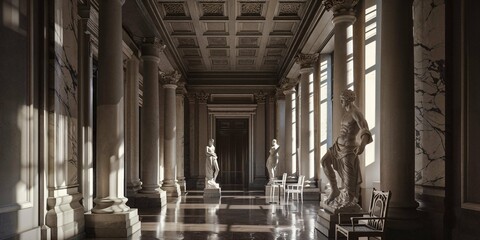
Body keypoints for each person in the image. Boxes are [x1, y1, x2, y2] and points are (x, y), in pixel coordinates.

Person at [321, 89, 372, 208]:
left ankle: (349, 199)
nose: (340, 102)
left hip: (349, 148)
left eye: (342, 100)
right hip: (338, 146)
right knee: (324, 161)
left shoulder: (356, 112)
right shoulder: (346, 113)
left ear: (347, 99)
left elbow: (365, 129)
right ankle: (334, 190)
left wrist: (362, 145)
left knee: (349, 176)